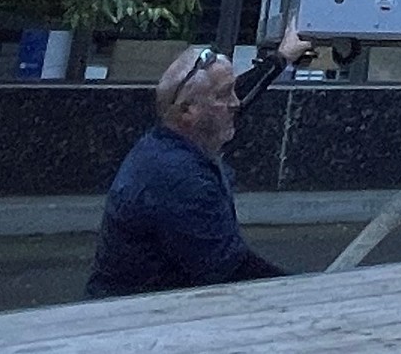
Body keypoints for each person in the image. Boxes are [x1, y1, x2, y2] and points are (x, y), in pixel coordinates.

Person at [84, 18, 313, 297]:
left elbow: (234, 100)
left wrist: (282, 57)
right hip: (130, 323)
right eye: (224, 94)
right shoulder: (179, 178)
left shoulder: (176, 139)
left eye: (231, 91)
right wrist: (310, 290)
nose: (236, 103)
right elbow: (232, 273)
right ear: (188, 112)